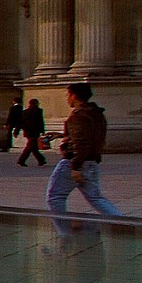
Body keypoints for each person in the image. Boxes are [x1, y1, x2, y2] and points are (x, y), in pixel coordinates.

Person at [48, 83, 124, 217]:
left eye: (68, 95)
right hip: (91, 162)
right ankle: (122, 223)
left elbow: (82, 142)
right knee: (96, 198)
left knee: (55, 197)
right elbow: (89, 135)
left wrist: (75, 167)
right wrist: (62, 135)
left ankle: (64, 232)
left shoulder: (78, 115)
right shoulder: (96, 114)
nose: (67, 99)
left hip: (75, 162)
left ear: (74, 96)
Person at [15, 98, 48, 166]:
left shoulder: (25, 112)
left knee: (33, 147)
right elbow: (40, 122)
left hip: (28, 131)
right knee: (30, 147)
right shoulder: (38, 111)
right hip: (35, 131)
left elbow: (20, 122)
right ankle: (22, 160)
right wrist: (42, 131)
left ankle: (41, 160)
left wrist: (16, 131)